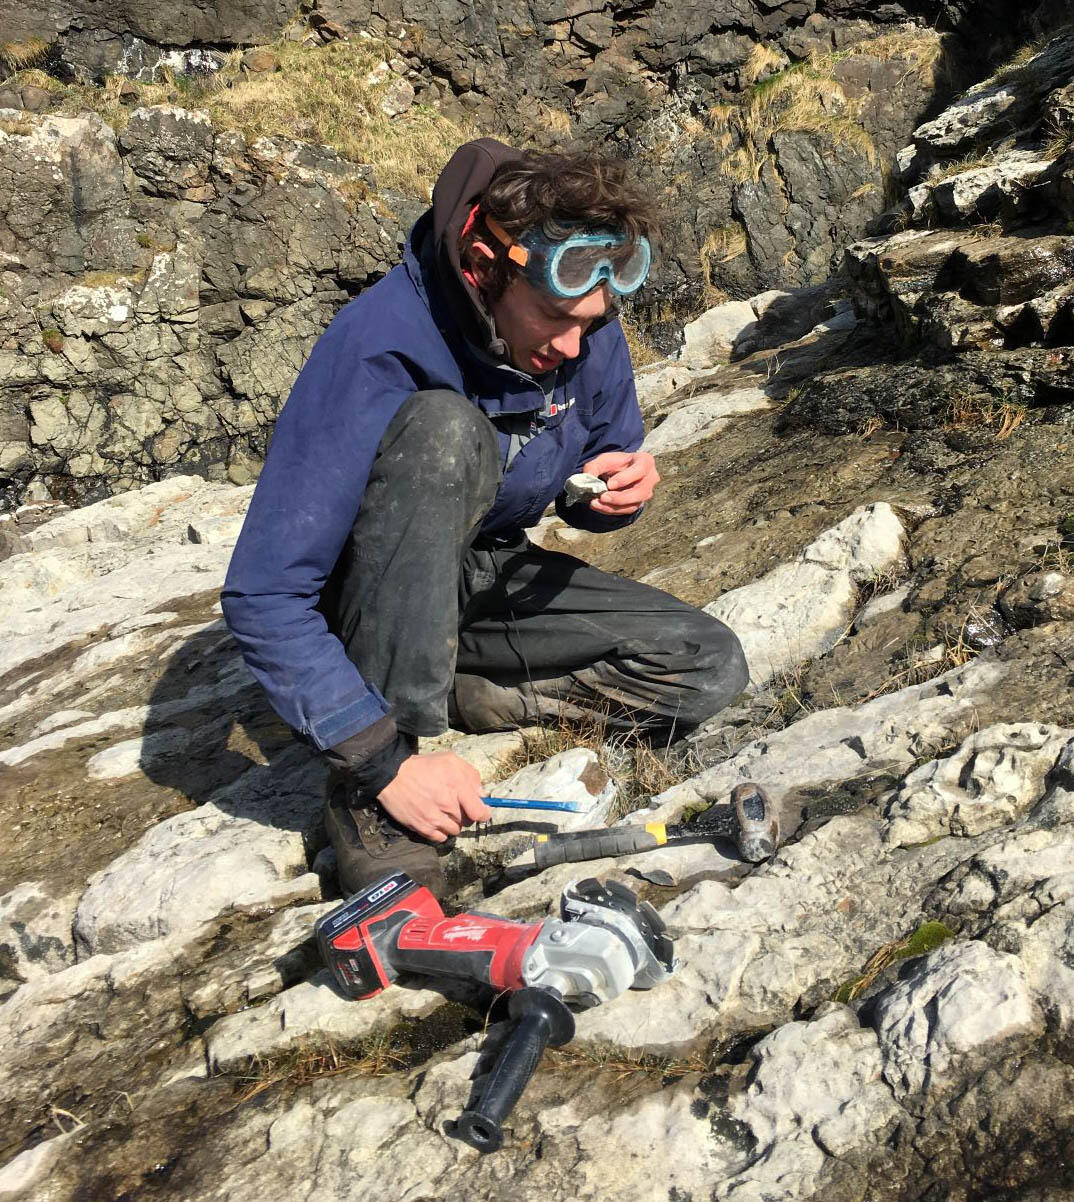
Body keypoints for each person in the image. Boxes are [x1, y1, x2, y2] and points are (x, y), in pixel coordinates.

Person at [221, 138, 748, 899]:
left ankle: (458, 684)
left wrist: (616, 492)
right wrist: (383, 763)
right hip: (364, 594)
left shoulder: (583, 329)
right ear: (481, 265)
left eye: (595, 324)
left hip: (482, 567)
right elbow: (264, 596)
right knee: (444, 430)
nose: (574, 346)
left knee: (705, 664)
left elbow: (591, 463)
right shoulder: (378, 346)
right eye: (557, 321)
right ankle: (378, 774)